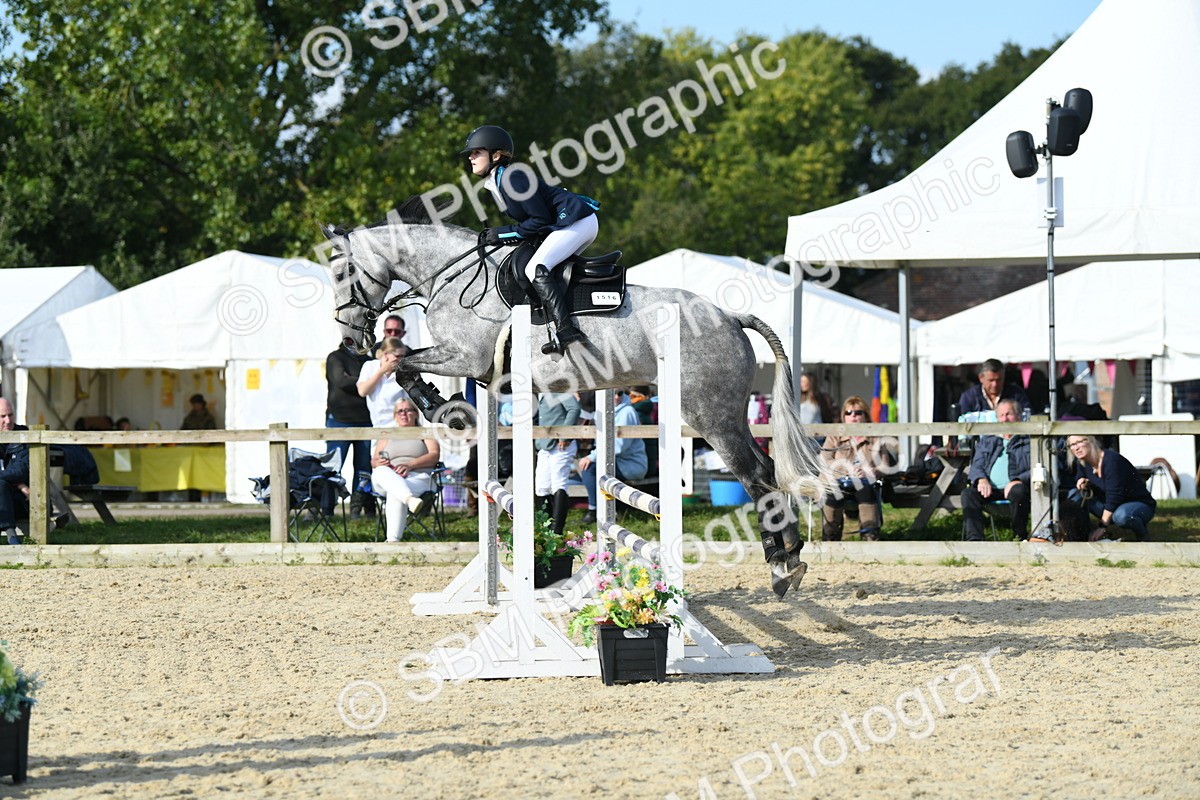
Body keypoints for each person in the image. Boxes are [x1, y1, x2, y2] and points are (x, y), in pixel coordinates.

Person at [461, 124, 601, 354]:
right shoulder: (499, 180)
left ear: (495, 155)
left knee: (536, 266)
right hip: (568, 224)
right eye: (471, 153)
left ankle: (567, 331)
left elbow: (540, 219)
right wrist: (501, 234)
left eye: (477, 152)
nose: (471, 157)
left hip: (577, 222)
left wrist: (502, 233)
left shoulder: (512, 178)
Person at [818, 395, 897, 542]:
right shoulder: (835, 436)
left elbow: (885, 465)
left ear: (866, 416)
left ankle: (869, 534)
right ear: (844, 417)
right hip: (838, 480)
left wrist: (873, 471)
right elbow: (824, 459)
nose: (853, 416)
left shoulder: (875, 437)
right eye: (848, 413)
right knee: (834, 490)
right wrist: (844, 469)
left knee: (866, 488)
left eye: (858, 412)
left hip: (865, 482)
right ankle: (830, 536)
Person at [370, 399, 441, 542]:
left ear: (416, 414)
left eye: (408, 410)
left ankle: (392, 541)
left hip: (418, 477)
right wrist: (380, 462)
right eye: (400, 411)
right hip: (388, 476)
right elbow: (374, 461)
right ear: (395, 416)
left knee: (395, 492)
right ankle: (410, 500)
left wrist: (411, 464)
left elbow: (434, 455)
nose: (404, 414)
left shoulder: (425, 432)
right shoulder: (387, 435)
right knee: (379, 471)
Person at [960, 399, 1031, 541]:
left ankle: (1019, 537)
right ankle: (974, 540)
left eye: (1009, 414)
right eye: (1001, 415)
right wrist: (981, 478)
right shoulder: (988, 440)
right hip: (989, 490)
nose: (1005, 419)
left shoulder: (1028, 440)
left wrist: (1018, 480)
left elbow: (1037, 467)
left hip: (1016, 489)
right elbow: (976, 465)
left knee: (1019, 491)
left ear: (1018, 416)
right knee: (968, 494)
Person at [1067, 435, 1156, 542]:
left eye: (1079, 442)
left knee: (1121, 516)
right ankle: (1083, 535)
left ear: (1091, 441)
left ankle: (1143, 536)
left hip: (1137, 505)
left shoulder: (1112, 460)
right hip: (1110, 506)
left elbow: (1114, 497)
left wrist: (1102, 527)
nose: (1076, 448)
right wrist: (1081, 481)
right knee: (1075, 495)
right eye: (1072, 445)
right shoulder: (1083, 462)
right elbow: (1080, 475)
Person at [578, 389, 647, 524]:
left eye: (619, 393)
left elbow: (619, 446)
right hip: (614, 461)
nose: (615, 397)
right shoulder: (602, 412)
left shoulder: (627, 412)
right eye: (612, 393)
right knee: (582, 473)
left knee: (590, 468)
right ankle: (603, 509)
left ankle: (594, 511)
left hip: (631, 464)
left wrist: (591, 457)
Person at [325, 342, 374, 519]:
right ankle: (326, 508)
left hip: (366, 420)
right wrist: (367, 380)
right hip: (339, 421)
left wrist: (367, 378)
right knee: (333, 467)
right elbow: (341, 380)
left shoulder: (369, 361)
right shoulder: (335, 357)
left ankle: (357, 509)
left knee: (363, 469)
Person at [535, 392, 581, 537]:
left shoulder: (559, 388)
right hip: (545, 445)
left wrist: (565, 435)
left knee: (558, 484)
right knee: (541, 486)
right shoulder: (538, 391)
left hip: (561, 445)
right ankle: (544, 531)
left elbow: (574, 409)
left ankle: (557, 531)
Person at [357, 336, 410, 429]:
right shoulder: (370, 366)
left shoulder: (405, 371)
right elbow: (362, 391)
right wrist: (382, 371)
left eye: (403, 356)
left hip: (400, 426)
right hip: (378, 426)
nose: (400, 360)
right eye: (397, 356)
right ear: (386, 354)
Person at [957, 359, 1030, 418]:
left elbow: (1027, 417)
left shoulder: (1016, 394)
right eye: (991, 380)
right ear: (981, 378)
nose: (995, 384)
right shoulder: (969, 397)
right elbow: (961, 423)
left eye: (999, 380)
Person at [0, 397, 28, 544]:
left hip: (23, 501)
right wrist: (19, 484)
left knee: (1, 485)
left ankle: (12, 537)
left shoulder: (24, 435)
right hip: (15, 492)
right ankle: (12, 537)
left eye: (10, 415)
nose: (8, 421)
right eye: (2, 416)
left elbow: (21, 470)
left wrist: (17, 484)